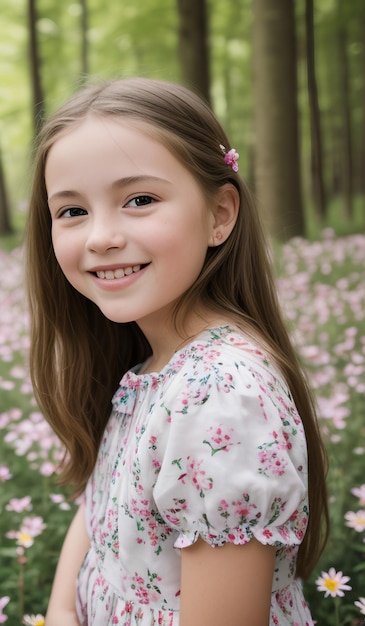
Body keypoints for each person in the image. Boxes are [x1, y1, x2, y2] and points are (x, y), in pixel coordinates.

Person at [26, 77, 329, 626]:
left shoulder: (219, 394)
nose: (100, 237)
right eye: (71, 211)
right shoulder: (153, 369)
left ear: (220, 215)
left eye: (139, 200)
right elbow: (100, 506)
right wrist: (64, 607)